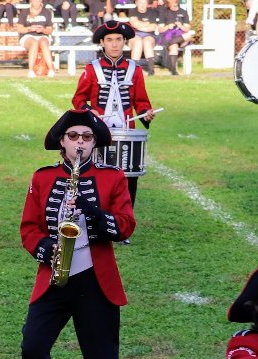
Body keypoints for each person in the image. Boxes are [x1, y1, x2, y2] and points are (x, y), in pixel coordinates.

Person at [8, 110, 136, 359]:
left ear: (95, 142)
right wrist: (44, 246)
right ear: (62, 142)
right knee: (32, 348)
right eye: (73, 137)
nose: (80, 143)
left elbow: (125, 225)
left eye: (87, 137)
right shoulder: (43, 177)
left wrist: (95, 214)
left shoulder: (112, 178)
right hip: (54, 278)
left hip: (96, 279)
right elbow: (29, 228)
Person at [73, 20, 156, 215]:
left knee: (128, 179)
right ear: (102, 42)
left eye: (119, 39)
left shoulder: (134, 69)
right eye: (109, 40)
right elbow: (78, 98)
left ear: (124, 41)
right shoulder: (91, 68)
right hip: (98, 132)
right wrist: (88, 110)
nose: (115, 44)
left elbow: (141, 101)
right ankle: (97, 219)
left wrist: (147, 113)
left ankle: (125, 221)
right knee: (97, 176)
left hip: (126, 133)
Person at [19, 1, 55, 78]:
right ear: (31, 1)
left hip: (42, 35)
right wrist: (29, 28)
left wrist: (42, 30)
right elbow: (19, 29)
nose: (36, 2)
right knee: (34, 42)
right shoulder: (24, 12)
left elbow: (50, 29)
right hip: (28, 36)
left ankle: (51, 69)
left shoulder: (46, 12)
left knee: (43, 42)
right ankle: (31, 70)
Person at [128, 0, 159, 75]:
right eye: (140, 3)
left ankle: (151, 70)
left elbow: (153, 27)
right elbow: (134, 23)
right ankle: (133, 71)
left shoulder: (152, 12)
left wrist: (139, 25)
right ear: (136, 3)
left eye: (144, 3)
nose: (142, 5)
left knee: (147, 42)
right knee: (138, 42)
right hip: (135, 35)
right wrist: (147, 24)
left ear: (147, 4)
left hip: (149, 35)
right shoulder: (132, 11)